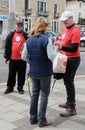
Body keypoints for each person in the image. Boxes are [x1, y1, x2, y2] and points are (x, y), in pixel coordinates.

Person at [22, 17, 57, 127]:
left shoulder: (30, 39)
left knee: (34, 95)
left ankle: (33, 118)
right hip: (45, 72)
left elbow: (24, 56)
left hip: (33, 72)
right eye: (46, 26)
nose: (47, 28)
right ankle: (42, 120)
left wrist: (32, 61)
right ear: (43, 26)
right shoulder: (46, 39)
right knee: (44, 96)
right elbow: (51, 56)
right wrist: (56, 50)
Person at [54, 11, 81, 117]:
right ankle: (69, 102)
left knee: (69, 82)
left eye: (66, 19)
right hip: (65, 58)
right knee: (66, 82)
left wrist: (62, 47)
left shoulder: (75, 31)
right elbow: (63, 40)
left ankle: (72, 108)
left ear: (71, 18)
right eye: (63, 20)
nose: (64, 21)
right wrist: (58, 42)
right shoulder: (65, 28)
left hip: (73, 60)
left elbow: (74, 48)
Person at [4, 19, 28, 94]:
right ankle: (10, 87)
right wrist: (6, 57)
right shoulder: (11, 35)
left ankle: (20, 88)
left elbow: (29, 46)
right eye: (18, 25)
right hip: (13, 58)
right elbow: (7, 47)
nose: (19, 26)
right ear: (15, 25)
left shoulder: (26, 35)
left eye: (21, 25)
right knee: (11, 74)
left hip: (22, 59)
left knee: (21, 74)